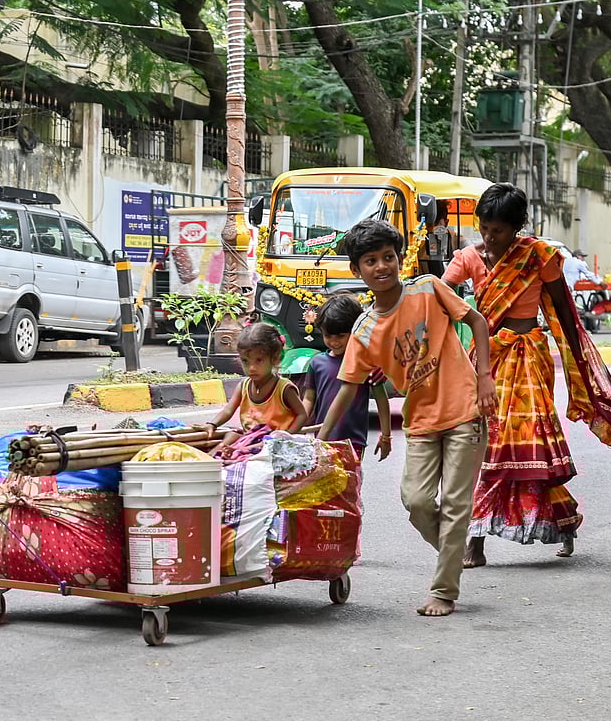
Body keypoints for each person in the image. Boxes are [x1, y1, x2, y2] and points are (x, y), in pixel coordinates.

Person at [442, 183, 611, 568]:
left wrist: (579, 357)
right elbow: (440, 297)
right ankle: (475, 541)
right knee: (485, 445)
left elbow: (565, 310)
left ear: (518, 228)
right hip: (485, 359)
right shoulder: (467, 257)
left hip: (529, 357)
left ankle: (558, 525)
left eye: (498, 230)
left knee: (527, 446)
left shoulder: (538, 255)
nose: (490, 237)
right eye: (484, 228)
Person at [317, 219, 496, 617]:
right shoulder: (365, 329)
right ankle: (453, 548)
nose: (381, 267)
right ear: (356, 270)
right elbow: (347, 386)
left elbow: (477, 322)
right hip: (421, 422)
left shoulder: (429, 289)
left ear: (399, 259)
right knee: (415, 501)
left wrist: (484, 378)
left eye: (388, 257)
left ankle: (444, 590)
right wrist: (321, 438)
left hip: (465, 407)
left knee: (454, 502)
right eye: (370, 261)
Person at [301, 294, 394, 462]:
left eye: (341, 336)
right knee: (324, 487)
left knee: (350, 485)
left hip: (353, 442)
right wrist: (296, 423)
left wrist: (386, 436)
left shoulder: (366, 364)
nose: (334, 342)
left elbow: (381, 399)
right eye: (328, 336)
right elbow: (309, 398)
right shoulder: (316, 363)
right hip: (322, 440)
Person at [206, 322, 308, 437]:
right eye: (245, 361)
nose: (251, 368)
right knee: (231, 436)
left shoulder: (284, 389)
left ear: (274, 358)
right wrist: (212, 424)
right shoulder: (243, 386)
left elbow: (302, 415)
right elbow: (228, 411)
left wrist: (286, 436)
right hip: (250, 442)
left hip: (274, 445)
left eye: (259, 360)